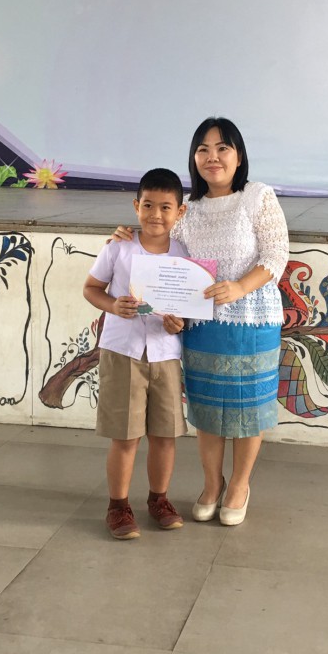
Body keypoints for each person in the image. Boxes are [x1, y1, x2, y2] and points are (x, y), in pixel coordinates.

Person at [112, 118, 289, 526]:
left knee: (248, 408)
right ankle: (212, 484)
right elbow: (158, 242)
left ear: (238, 156)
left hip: (253, 320)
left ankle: (239, 486)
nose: (213, 157)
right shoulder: (187, 210)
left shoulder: (257, 197)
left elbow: (276, 253)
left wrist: (240, 287)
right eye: (203, 149)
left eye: (222, 148)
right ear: (194, 158)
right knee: (207, 410)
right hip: (201, 324)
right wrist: (126, 236)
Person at [83, 168, 188, 540]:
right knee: (125, 436)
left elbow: (186, 307)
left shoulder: (185, 255)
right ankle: (118, 506)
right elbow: (91, 288)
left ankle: (159, 500)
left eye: (165, 207)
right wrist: (113, 306)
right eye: (148, 205)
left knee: (165, 434)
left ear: (180, 212)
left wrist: (179, 324)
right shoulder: (119, 246)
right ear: (135, 206)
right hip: (123, 351)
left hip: (166, 354)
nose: (155, 214)